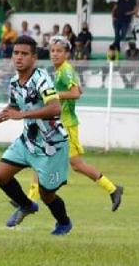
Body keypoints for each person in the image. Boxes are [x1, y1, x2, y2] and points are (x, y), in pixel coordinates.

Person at [0, 36, 73, 236]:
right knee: (1, 175)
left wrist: (23, 115)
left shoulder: (41, 77)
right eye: (16, 53)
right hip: (29, 141)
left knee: (47, 194)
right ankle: (26, 205)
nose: (19, 58)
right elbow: (12, 108)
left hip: (51, 144)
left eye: (24, 54)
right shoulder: (14, 82)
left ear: (33, 57)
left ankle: (64, 222)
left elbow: (55, 108)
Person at [17, 36, 123, 211]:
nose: (55, 54)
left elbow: (75, 93)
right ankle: (28, 200)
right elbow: (78, 89)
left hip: (66, 125)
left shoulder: (65, 70)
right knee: (40, 157)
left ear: (67, 54)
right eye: (52, 51)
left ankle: (113, 189)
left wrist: (53, 95)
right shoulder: (60, 71)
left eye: (59, 51)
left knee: (77, 164)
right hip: (57, 125)